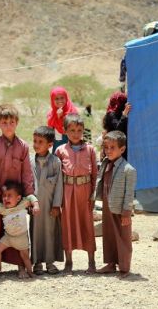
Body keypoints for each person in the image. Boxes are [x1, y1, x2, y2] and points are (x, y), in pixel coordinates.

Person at [0, 103, 35, 279]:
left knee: (17, 229)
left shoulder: (23, 146)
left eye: (12, 122)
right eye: (4, 122)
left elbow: (27, 173)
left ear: (17, 123)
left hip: (17, 198)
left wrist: (28, 197)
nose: (8, 125)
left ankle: (20, 264)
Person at [54, 113, 97, 273]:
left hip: (85, 192)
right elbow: (57, 177)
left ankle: (91, 262)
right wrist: (57, 200)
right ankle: (69, 262)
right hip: (67, 192)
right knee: (68, 225)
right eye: (72, 130)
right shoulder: (60, 150)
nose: (76, 133)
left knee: (87, 225)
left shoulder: (90, 150)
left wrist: (93, 195)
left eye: (79, 130)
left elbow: (95, 175)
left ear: (83, 131)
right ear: (65, 131)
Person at [95, 131, 136, 279]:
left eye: (113, 147)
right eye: (106, 147)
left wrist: (126, 212)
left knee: (123, 237)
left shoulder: (128, 170)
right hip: (107, 205)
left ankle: (124, 267)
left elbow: (129, 194)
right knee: (109, 235)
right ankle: (111, 263)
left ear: (122, 149)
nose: (109, 150)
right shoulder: (106, 163)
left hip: (120, 209)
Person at [0, 180, 40, 278]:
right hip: (8, 238)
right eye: (4, 196)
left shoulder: (23, 204)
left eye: (9, 195)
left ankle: (30, 272)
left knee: (25, 257)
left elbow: (31, 197)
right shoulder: (2, 208)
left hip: (22, 238)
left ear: (18, 198)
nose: (6, 198)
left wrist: (36, 205)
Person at [30, 126, 64, 275]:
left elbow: (59, 186)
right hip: (35, 206)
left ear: (50, 145)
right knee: (35, 233)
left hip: (50, 205)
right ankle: (37, 262)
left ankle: (50, 262)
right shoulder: (30, 161)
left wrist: (57, 205)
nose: (36, 144)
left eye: (40, 142)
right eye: (35, 141)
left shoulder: (56, 162)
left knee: (50, 233)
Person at [47, 86, 78, 152]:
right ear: (52, 100)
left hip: (72, 143)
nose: (60, 101)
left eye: (62, 98)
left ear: (66, 98)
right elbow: (50, 130)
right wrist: (57, 117)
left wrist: (62, 118)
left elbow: (74, 128)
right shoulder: (51, 114)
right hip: (58, 144)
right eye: (57, 99)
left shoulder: (72, 111)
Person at [102, 92, 131, 160]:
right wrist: (124, 114)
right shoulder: (111, 114)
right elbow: (118, 130)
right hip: (114, 148)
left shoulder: (118, 114)